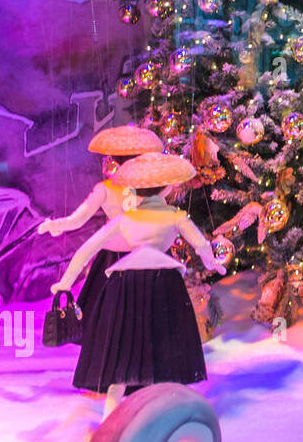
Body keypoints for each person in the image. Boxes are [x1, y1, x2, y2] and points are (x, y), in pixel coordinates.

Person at [49, 153, 224, 420]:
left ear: (134, 191)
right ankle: (166, 420)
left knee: (122, 351)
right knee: (164, 350)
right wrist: (212, 264)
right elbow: (201, 244)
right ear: (167, 188)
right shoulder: (175, 216)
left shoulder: (125, 219)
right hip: (163, 285)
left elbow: (87, 249)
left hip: (125, 286)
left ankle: (111, 420)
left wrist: (65, 282)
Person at [37, 124, 165, 315]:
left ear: (114, 160)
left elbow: (77, 220)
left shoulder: (107, 188)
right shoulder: (149, 187)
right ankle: (66, 283)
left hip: (122, 251)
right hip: (143, 251)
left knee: (111, 308)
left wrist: (54, 225)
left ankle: (66, 283)